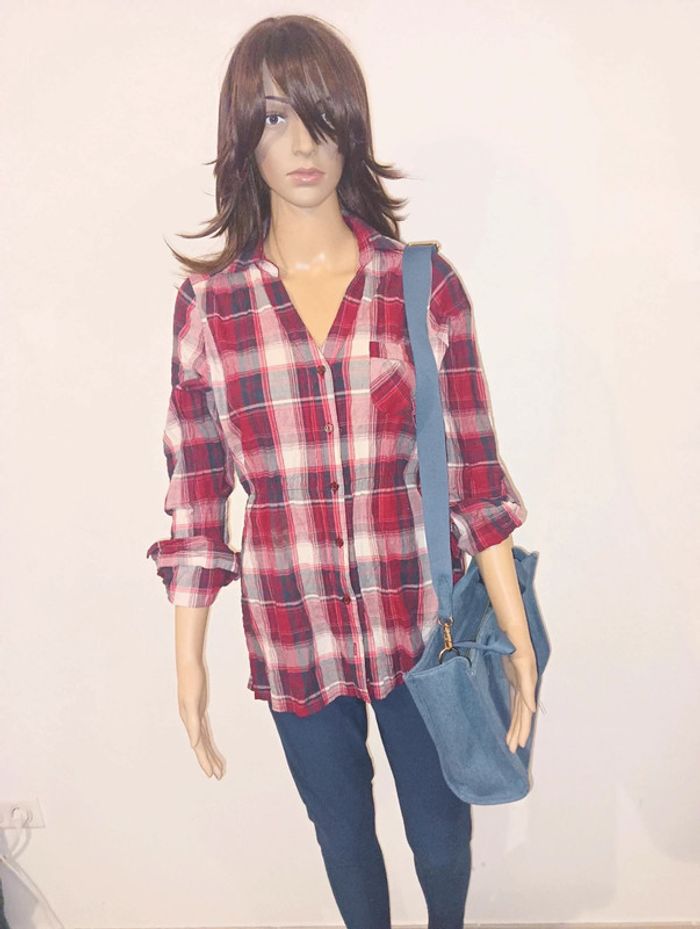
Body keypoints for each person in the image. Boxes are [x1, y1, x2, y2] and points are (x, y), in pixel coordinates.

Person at [146, 14, 537, 929]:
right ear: (242, 138)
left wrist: (514, 635)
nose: (301, 144)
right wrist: (187, 660)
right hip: (294, 631)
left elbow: (476, 478)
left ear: (350, 128)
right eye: (274, 118)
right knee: (343, 835)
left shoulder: (420, 287)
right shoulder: (211, 309)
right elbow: (198, 498)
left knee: (440, 835)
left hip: (420, 628)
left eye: (319, 116)